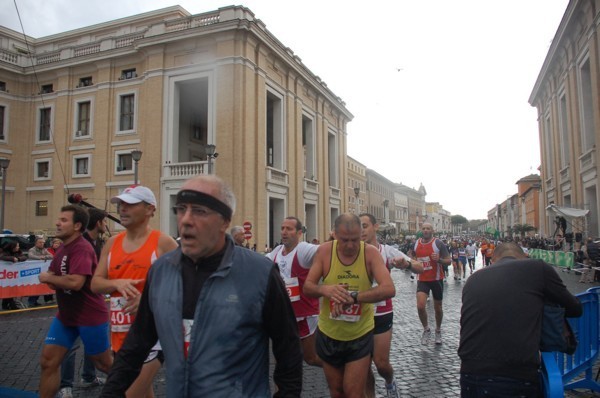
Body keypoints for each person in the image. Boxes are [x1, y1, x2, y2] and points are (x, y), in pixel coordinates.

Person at [101, 175, 302, 397]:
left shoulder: (260, 273)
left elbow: (288, 347)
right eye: (181, 209)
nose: (186, 220)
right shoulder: (160, 272)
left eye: (199, 211)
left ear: (224, 222)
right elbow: (137, 344)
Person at [458, 242, 582, 397]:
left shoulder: (473, 279)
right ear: (524, 257)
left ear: (493, 260)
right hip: (515, 373)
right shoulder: (537, 268)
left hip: (469, 372)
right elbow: (575, 308)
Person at [92, 186, 178, 398]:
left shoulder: (163, 243)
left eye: (130, 204)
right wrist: (117, 284)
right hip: (120, 335)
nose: (122, 209)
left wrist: (149, 299)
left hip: (152, 336)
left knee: (129, 393)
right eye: (120, 204)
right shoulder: (112, 243)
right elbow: (95, 283)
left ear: (150, 209)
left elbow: (184, 285)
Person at [304, 213, 396, 398]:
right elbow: (308, 287)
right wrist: (327, 290)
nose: (351, 245)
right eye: (345, 240)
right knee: (337, 391)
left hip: (359, 335)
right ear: (335, 235)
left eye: (355, 239)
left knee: (353, 392)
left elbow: (389, 289)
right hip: (330, 333)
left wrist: (353, 298)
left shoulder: (370, 253)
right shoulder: (324, 251)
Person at [37, 205, 113, 398]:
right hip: (66, 317)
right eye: (58, 219)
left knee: (104, 364)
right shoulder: (63, 248)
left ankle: (140, 387)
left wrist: (48, 278)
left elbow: (75, 282)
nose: (57, 223)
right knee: (48, 362)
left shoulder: (82, 248)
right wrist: (53, 279)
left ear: (77, 225)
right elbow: (57, 281)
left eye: (63, 220)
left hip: (90, 317)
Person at [359, 213, 423, 398]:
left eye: (365, 225)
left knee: (381, 363)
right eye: (359, 226)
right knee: (363, 366)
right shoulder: (353, 250)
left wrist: (406, 264)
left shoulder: (386, 251)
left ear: (375, 227)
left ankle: (389, 381)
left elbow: (419, 267)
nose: (361, 230)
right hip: (359, 314)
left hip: (381, 312)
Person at [58, 208, 109, 398]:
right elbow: (74, 278)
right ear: (98, 223)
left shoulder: (96, 243)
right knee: (69, 347)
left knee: (93, 346)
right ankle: (66, 386)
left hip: (92, 303)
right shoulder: (83, 244)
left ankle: (88, 376)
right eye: (105, 222)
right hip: (78, 306)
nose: (106, 225)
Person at [266, 216, 321, 366]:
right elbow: (260, 264)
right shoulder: (277, 251)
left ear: (298, 233)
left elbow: (325, 252)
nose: (284, 232)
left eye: (289, 229)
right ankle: (283, 389)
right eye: (282, 228)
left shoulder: (303, 249)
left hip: (305, 314)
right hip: (285, 314)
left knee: (311, 358)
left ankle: (340, 370)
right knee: (283, 360)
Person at [410, 222, 451, 345]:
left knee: (437, 308)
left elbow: (448, 261)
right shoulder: (416, 243)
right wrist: (412, 262)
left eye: (428, 228)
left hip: (436, 279)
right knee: (420, 306)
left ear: (432, 230)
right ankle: (426, 329)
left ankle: (438, 330)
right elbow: (412, 257)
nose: (426, 230)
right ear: (421, 230)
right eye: (423, 228)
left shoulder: (438, 243)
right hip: (422, 279)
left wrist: (438, 260)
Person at [27, 237, 54, 307]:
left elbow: (51, 256)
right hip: (33, 271)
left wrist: (44, 257)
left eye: (43, 242)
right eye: (40, 242)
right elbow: (31, 255)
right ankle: (31, 301)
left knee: (39, 286)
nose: (42, 244)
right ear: (36, 243)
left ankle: (35, 300)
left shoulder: (44, 250)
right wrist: (40, 257)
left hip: (41, 271)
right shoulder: (32, 250)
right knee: (34, 286)